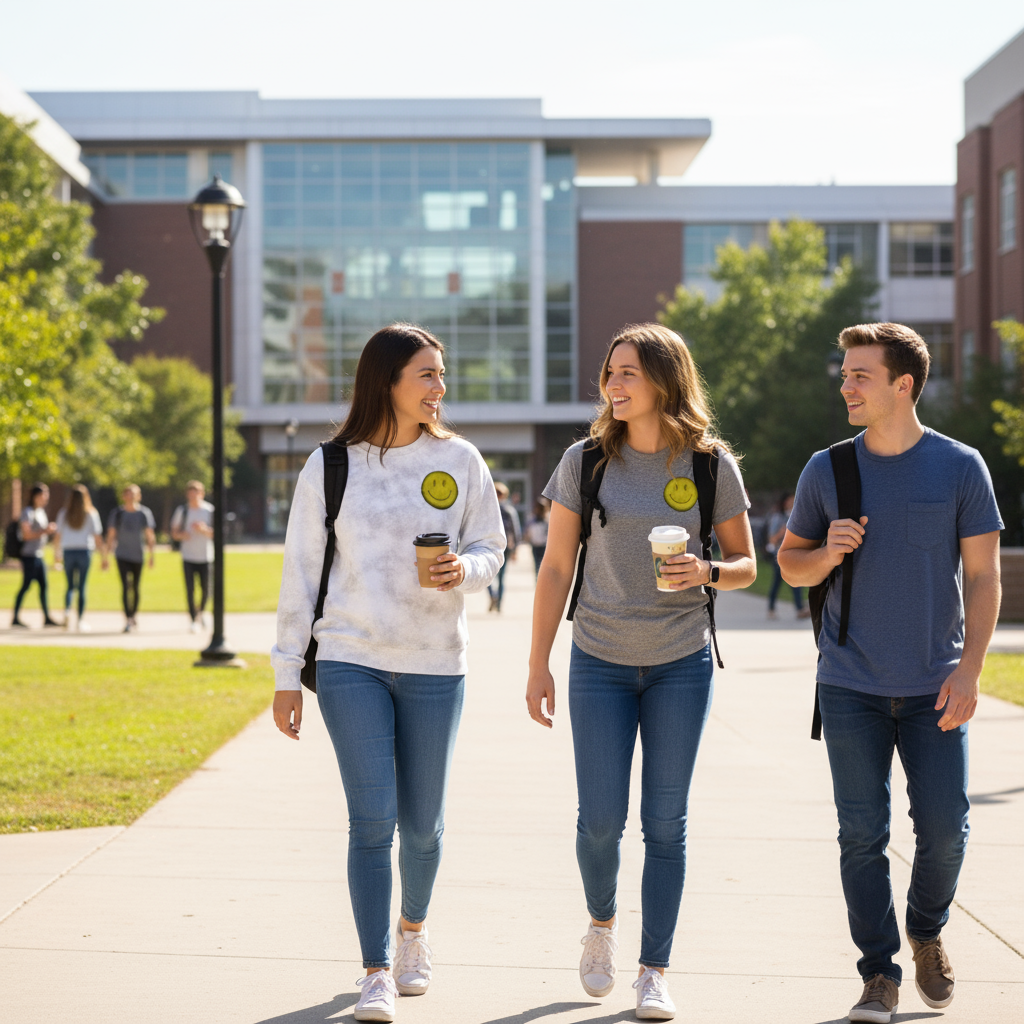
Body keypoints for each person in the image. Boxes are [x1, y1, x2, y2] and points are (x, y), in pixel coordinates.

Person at [271, 323, 505, 1023]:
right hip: (352, 660)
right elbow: (301, 571)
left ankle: (413, 933)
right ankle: (375, 970)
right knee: (371, 820)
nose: (440, 386)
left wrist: (467, 569)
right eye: (427, 374)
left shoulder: (461, 460)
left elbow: (493, 546)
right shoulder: (332, 465)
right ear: (388, 382)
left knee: (423, 826)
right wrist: (287, 674)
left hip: (436, 664)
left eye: (441, 373)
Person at [526, 323, 756, 1021]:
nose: (613, 384)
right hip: (598, 659)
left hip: (681, 663)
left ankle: (654, 969)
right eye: (609, 372)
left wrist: (707, 570)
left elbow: (748, 564)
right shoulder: (587, 461)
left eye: (628, 372)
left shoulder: (711, 465)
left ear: (665, 380)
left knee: (666, 822)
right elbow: (557, 565)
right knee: (600, 821)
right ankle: (601, 923)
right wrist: (538, 663)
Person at [778, 323, 1003, 1024]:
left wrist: (970, 672)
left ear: (902, 386)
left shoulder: (961, 466)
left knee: (945, 829)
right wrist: (827, 554)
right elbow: (788, 563)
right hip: (850, 684)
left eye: (859, 376)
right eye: (844, 374)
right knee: (860, 832)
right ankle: (878, 972)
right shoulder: (828, 469)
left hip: (938, 682)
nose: (845, 386)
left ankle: (926, 928)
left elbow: (985, 575)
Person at [104, 484, 156, 633]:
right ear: (123, 496)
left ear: (138, 496)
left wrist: (152, 555)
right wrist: (105, 556)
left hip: (138, 555)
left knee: (136, 587)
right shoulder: (117, 513)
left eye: (133, 494)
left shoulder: (144, 513)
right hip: (121, 555)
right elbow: (111, 535)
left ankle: (134, 616)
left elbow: (149, 535)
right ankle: (127, 618)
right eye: (127, 493)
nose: (131, 496)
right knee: (126, 587)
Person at [53, 484, 104, 631]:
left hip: (68, 551)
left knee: (70, 586)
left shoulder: (64, 513)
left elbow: (57, 536)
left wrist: (57, 554)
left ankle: (67, 610)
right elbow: (97, 537)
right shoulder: (91, 513)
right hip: (84, 551)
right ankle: (80, 619)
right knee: (82, 586)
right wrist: (103, 556)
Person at [11, 483, 60, 628]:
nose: (46, 497)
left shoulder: (40, 511)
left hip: (39, 554)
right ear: (36, 496)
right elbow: (26, 535)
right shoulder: (27, 512)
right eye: (44, 494)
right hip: (29, 555)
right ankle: (15, 617)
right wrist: (45, 531)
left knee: (44, 586)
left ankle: (46, 618)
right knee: (26, 586)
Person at [170, 481, 214, 633]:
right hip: (188, 555)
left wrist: (203, 529)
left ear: (201, 494)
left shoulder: (209, 510)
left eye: (196, 492)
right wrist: (183, 535)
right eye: (191, 492)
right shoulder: (182, 510)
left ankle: (201, 612)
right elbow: (174, 533)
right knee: (190, 589)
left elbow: (216, 534)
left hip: (206, 555)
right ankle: (193, 618)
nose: (193, 496)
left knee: (206, 589)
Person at [765, 492, 809, 620]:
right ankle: (771, 608)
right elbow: (771, 539)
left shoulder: (797, 517)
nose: (794, 503)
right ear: (785, 502)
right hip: (778, 556)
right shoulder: (778, 517)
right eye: (791, 500)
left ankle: (800, 609)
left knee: (796, 581)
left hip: (794, 555)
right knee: (777, 583)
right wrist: (782, 532)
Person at [487, 481, 521, 612]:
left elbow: (516, 531)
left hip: (504, 547)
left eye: (500, 493)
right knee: (486, 575)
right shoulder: (487, 510)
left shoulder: (509, 511)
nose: (497, 496)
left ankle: (499, 604)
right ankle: (493, 596)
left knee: (501, 577)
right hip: (488, 546)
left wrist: (515, 550)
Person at [525, 497, 550, 578]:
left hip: (546, 546)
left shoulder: (548, 519)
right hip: (535, 546)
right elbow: (528, 531)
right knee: (537, 566)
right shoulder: (532, 519)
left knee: (546, 567)